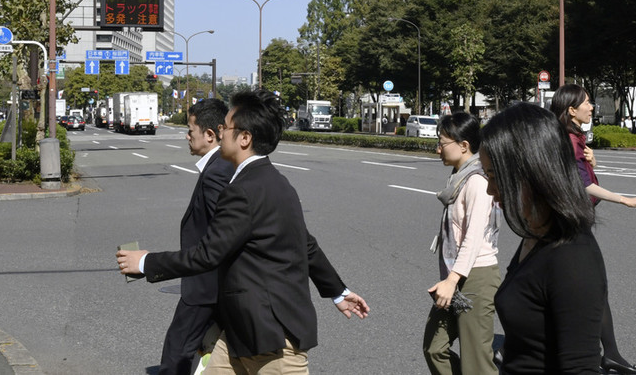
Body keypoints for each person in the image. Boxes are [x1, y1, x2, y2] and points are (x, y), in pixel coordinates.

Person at [117, 90, 369, 373]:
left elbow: (208, 254)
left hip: (274, 340)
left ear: (245, 138)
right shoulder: (277, 183)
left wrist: (145, 262)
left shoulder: (244, 191)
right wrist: (337, 292)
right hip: (243, 335)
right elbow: (306, 244)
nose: (220, 133)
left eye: (226, 127)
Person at [479, 103, 606, 374]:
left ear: (531, 172)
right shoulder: (536, 233)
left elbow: (581, 367)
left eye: (494, 176)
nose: (489, 189)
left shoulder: (572, 255)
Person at [550, 85, 636, 375]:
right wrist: (625, 199)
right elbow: (583, 186)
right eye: (587, 102)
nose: (591, 107)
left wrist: (592, 163)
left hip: (570, 223)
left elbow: (581, 179)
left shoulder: (570, 137)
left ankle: (610, 353)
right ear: (571, 110)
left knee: (584, 288)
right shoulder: (569, 140)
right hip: (570, 226)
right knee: (585, 288)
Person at [156, 98, 234, 375]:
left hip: (206, 285)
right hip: (218, 284)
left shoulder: (217, 173)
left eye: (190, 131)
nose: (187, 136)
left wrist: (149, 264)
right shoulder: (223, 166)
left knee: (177, 353)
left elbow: (222, 234)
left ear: (210, 134)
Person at [423, 111, 500, 375]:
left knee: (475, 361)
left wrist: (452, 279)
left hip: (476, 276)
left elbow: (474, 238)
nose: (438, 149)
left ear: (464, 145)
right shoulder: (458, 178)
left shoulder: (477, 181)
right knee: (434, 348)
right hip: (455, 273)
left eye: (442, 143)